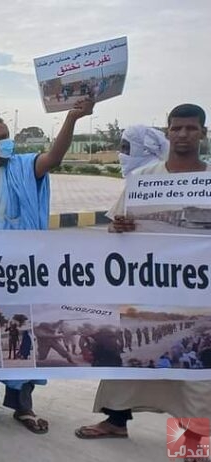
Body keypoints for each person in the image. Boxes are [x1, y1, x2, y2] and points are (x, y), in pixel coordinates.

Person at [0, 98, 94, 435]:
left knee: (21, 335)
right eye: (4, 136)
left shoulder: (23, 168)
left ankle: (22, 404)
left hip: (19, 277)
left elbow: (54, 157)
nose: (10, 141)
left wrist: (71, 118)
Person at [76, 103, 211, 441]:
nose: (183, 134)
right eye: (176, 128)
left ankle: (191, 442)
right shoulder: (144, 180)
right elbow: (116, 229)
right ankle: (116, 422)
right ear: (167, 132)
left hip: (198, 291)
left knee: (196, 371)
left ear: (203, 134)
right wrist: (120, 227)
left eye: (191, 128)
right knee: (127, 360)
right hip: (148, 285)